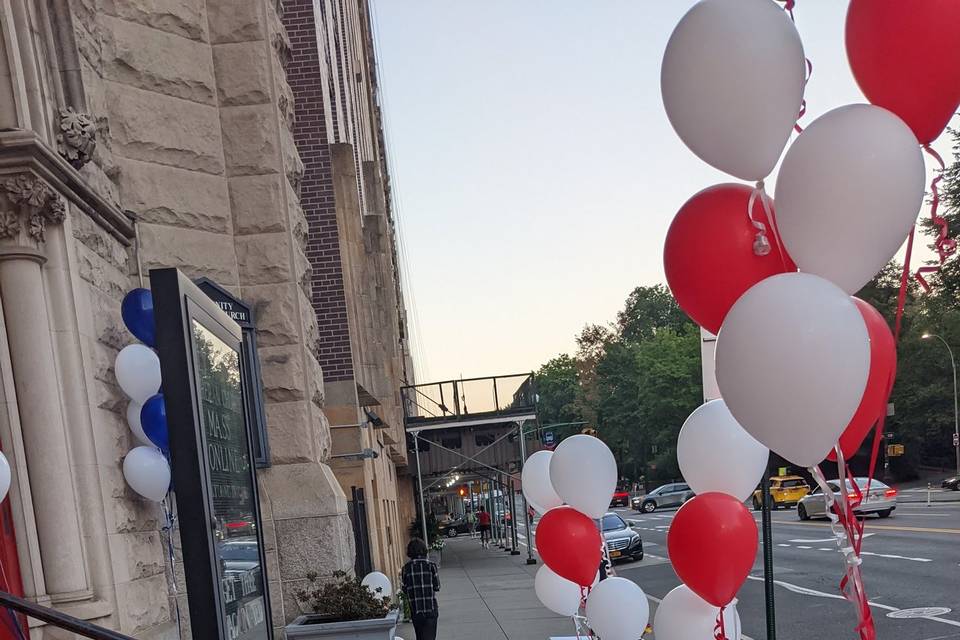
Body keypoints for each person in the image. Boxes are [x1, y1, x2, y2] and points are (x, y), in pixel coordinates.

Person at [401, 538, 440, 640]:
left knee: (420, 636)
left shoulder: (406, 568)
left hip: (416, 610)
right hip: (430, 608)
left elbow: (405, 589)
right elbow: (437, 587)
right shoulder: (431, 566)